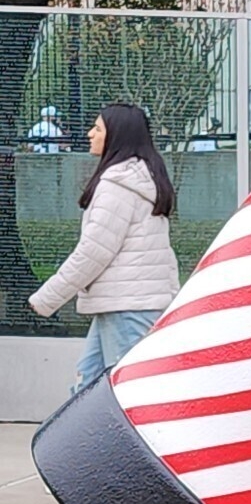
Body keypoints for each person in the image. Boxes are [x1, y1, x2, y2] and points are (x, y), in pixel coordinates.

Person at [28, 103, 179, 392]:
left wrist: (47, 297)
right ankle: (74, 439)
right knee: (88, 391)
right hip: (126, 303)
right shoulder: (141, 177)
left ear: (116, 136)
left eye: (98, 128)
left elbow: (93, 253)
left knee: (124, 396)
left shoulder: (118, 185)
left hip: (127, 306)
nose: (89, 134)